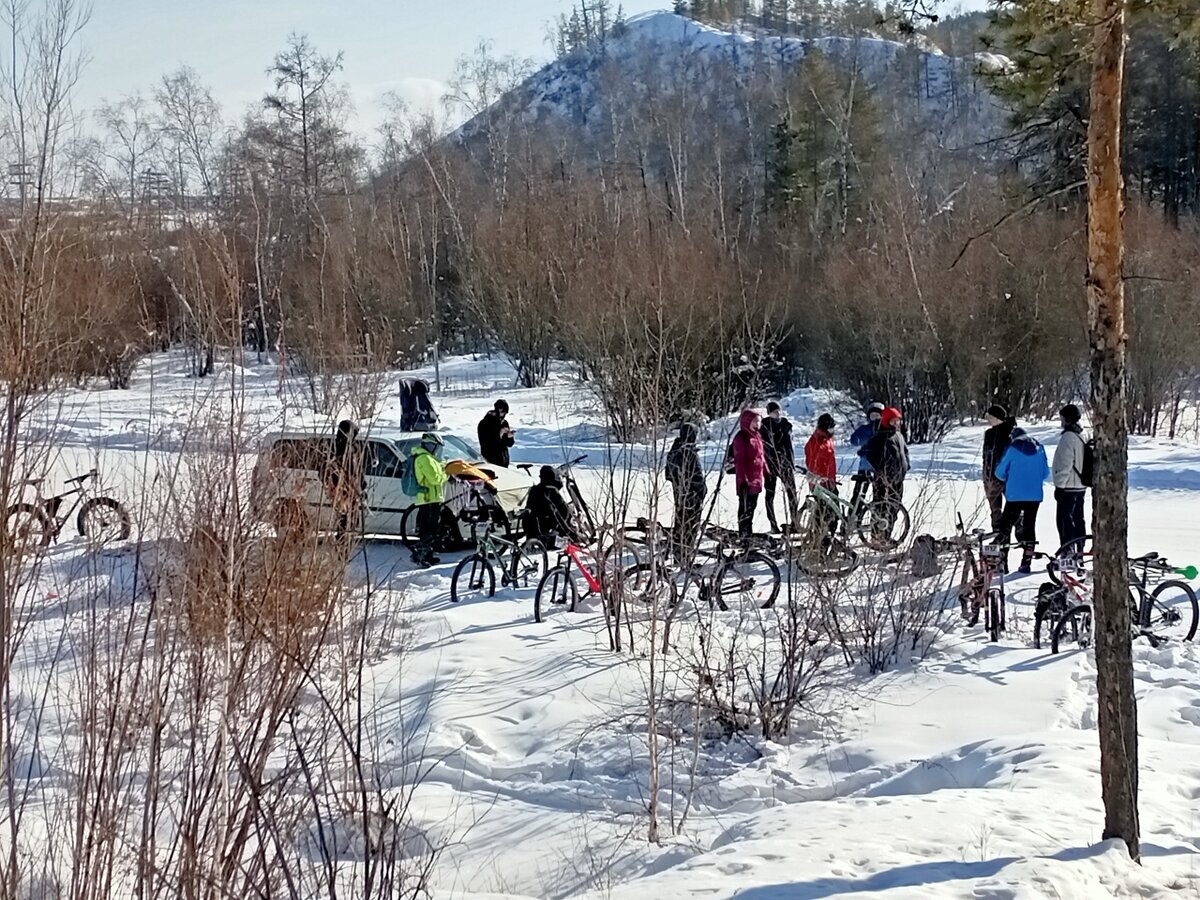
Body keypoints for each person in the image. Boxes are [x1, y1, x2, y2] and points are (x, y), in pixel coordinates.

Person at [995, 427, 1051, 574]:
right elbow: (1046, 473)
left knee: (1005, 526)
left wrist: (1010, 477)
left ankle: (1002, 562)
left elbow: (999, 472)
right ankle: (1026, 563)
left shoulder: (1012, 449)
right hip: (1034, 496)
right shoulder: (1040, 448)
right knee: (1029, 526)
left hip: (1015, 495)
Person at [857, 407, 910, 537]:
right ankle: (876, 536)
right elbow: (868, 454)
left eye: (898, 421)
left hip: (898, 479)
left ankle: (886, 536)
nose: (896, 424)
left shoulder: (899, 435)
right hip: (883, 480)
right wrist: (880, 471)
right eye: (893, 421)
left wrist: (906, 465)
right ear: (886, 421)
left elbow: (905, 452)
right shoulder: (880, 437)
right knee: (880, 508)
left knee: (894, 508)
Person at [666, 422, 707, 560]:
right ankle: (685, 556)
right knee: (690, 526)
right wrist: (701, 491)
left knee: (680, 524)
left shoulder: (674, 451)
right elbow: (697, 477)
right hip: (692, 496)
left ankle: (678, 553)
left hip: (679, 494)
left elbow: (668, 474)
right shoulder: (689, 453)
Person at [1052, 403, 1088, 554]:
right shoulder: (1082, 435)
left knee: (1064, 520)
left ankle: (1068, 550)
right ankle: (1080, 549)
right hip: (1081, 485)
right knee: (1078, 518)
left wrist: (1059, 485)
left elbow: (1065, 463)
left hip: (1068, 486)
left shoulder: (1068, 437)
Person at [324, 419, 366, 540]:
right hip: (342, 489)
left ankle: (346, 541)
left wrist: (362, 485)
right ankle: (342, 542)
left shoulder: (354, 448)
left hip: (352, 489)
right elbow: (332, 471)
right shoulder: (337, 449)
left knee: (352, 519)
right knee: (345, 519)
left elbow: (358, 470)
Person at [410, 432, 448, 568]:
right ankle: (419, 555)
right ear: (431, 446)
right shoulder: (424, 458)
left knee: (431, 529)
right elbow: (435, 479)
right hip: (428, 499)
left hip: (432, 498)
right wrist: (446, 474)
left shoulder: (429, 458)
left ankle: (428, 555)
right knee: (429, 530)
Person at [760, 401, 798, 533]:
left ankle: (795, 522)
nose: (776, 413)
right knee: (770, 494)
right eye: (773, 411)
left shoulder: (786, 425)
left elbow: (789, 447)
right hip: (770, 464)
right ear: (769, 413)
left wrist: (791, 463)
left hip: (786, 464)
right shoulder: (764, 426)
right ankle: (773, 524)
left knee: (792, 493)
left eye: (777, 411)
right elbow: (765, 447)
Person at [730, 408, 767, 541]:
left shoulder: (757, 436)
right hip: (746, 481)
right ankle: (744, 534)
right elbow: (739, 461)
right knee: (745, 509)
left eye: (759, 421)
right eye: (755, 421)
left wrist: (767, 472)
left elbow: (761, 457)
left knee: (752, 508)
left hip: (757, 480)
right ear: (747, 421)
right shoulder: (741, 438)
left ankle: (748, 533)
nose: (758, 424)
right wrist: (743, 480)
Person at [981, 404, 1017, 532]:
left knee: (1013, 509)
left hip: (1007, 478)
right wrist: (986, 475)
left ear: (996, 418)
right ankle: (998, 535)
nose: (988, 420)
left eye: (990, 417)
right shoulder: (989, 434)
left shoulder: (1010, 433)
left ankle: (1017, 535)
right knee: (995, 511)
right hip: (991, 478)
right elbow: (986, 456)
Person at [805, 413, 839, 544]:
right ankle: (820, 537)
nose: (832, 430)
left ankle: (831, 535)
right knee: (823, 511)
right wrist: (818, 477)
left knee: (835, 509)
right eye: (830, 428)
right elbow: (812, 463)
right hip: (820, 484)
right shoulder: (815, 442)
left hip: (830, 481)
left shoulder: (828, 440)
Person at [524, 465, 578, 546]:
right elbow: (558, 513)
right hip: (547, 531)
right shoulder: (550, 491)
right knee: (565, 543)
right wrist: (569, 532)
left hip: (532, 532)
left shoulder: (534, 490)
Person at [849, 401, 885, 509]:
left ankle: (876, 516)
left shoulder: (884, 430)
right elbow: (854, 440)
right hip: (864, 467)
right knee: (858, 495)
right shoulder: (865, 429)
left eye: (878, 416)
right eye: (873, 416)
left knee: (879, 496)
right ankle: (854, 514)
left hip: (879, 467)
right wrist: (860, 440)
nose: (875, 418)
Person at [478, 400, 515, 468]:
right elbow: (486, 443)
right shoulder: (485, 423)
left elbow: (509, 444)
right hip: (491, 461)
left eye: (505, 413)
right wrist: (499, 434)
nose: (503, 415)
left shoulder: (504, 423)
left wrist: (509, 437)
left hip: (504, 461)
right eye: (502, 413)